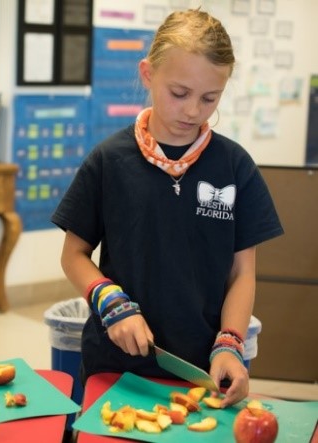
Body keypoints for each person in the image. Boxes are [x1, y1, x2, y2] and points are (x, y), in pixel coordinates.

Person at [51, 9, 283, 408]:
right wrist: (110, 302)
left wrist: (229, 343)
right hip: (116, 366)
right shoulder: (109, 161)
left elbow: (242, 272)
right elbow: (73, 255)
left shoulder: (235, 166)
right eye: (179, 93)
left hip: (204, 371)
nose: (193, 111)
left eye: (210, 98)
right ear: (148, 74)